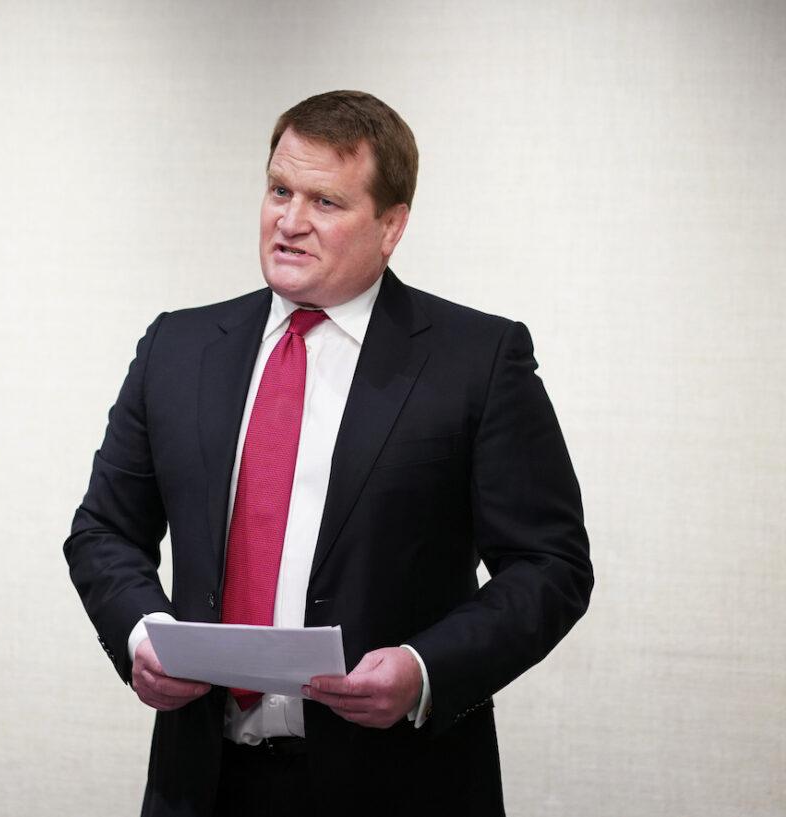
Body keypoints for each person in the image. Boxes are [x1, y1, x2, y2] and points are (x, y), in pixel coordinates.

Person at [64, 90, 592, 817]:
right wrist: (139, 634)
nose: (289, 221)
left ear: (391, 225)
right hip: (203, 782)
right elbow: (103, 529)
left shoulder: (478, 361)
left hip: (398, 783)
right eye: (279, 189)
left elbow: (551, 564)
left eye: (326, 202)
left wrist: (423, 668)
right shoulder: (176, 348)